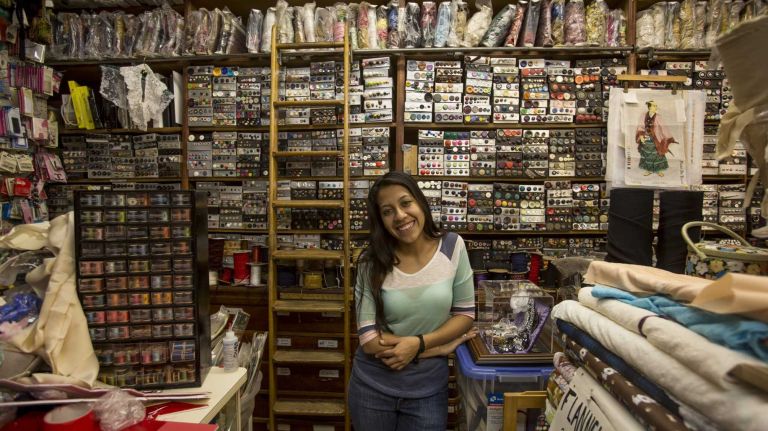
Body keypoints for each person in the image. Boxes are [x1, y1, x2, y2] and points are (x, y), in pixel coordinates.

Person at [348, 171, 476, 431]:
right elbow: (369, 340)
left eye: (406, 203)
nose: (400, 216)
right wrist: (435, 348)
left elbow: (465, 315)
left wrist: (417, 344)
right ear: (381, 220)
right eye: (387, 211)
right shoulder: (370, 262)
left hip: (428, 390)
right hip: (371, 388)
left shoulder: (452, 246)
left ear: (420, 202)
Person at [635, 100, 677, 177]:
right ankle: (649, 170)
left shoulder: (658, 116)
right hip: (646, 137)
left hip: (656, 138)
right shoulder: (643, 115)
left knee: (658, 154)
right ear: (649, 107)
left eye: (656, 106)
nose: (656, 107)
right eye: (654, 106)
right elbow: (640, 126)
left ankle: (658, 170)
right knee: (647, 153)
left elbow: (664, 128)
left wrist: (669, 137)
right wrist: (641, 136)